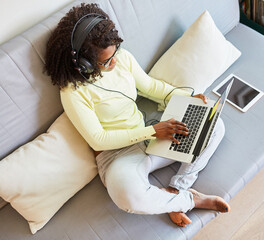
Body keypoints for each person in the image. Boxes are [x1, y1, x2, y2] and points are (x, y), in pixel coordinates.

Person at [44, 3, 230, 227]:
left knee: (214, 125)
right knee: (126, 195)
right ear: (84, 64)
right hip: (117, 157)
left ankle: (176, 188)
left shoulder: (122, 59)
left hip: (152, 138)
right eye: (105, 61)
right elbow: (98, 139)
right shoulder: (72, 92)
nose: (114, 62)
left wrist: (187, 96)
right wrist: (152, 130)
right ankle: (188, 200)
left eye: (115, 53)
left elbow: (151, 87)